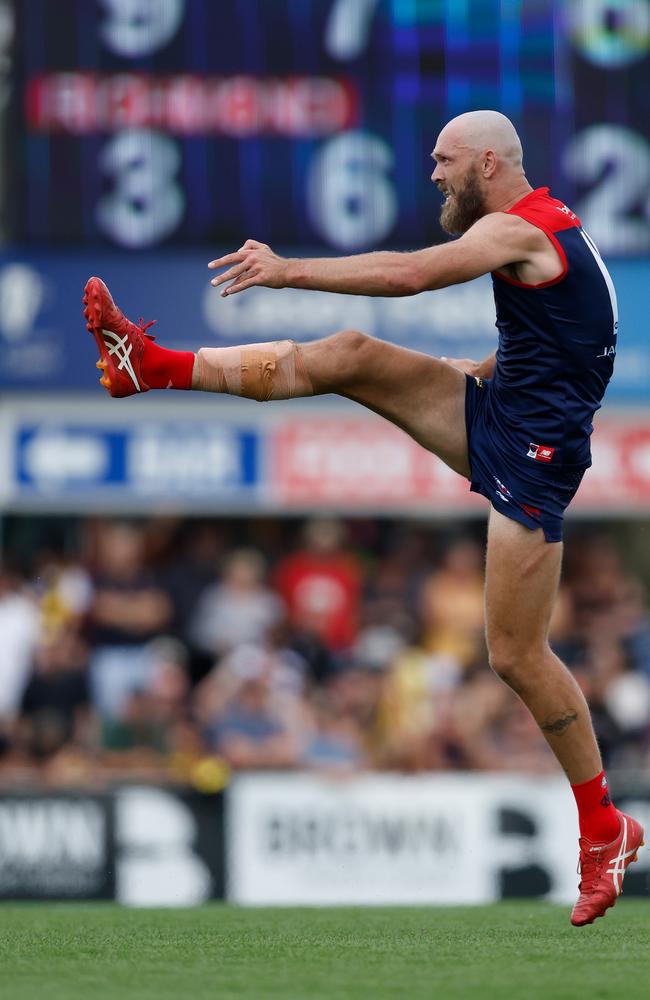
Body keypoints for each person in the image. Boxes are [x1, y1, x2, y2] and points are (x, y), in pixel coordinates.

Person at [82, 109, 642, 925]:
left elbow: (409, 276)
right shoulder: (546, 234)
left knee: (516, 655)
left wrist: (288, 271)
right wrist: (469, 375)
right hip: (503, 417)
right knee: (350, 354)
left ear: (489, 163)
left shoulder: (519, 231)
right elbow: (563, 343)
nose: (433, 175)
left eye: (443, 161)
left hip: (533, 456)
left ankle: (605, 827)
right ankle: (149, 364)